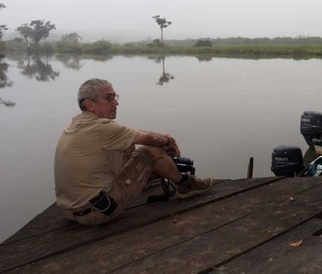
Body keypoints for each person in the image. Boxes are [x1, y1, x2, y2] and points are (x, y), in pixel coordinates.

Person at [54, 78, 213, 225]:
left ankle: (150, 175)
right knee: (151, 149)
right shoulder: (101, 127)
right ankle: (185, 185)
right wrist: (167, 140)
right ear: (90, 105)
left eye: (115, 97)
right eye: (109, 98)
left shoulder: (78, 124)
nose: (116, 103)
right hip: (100, 211)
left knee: (128, 145)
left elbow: (131, 135)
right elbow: (150, 140)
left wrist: (157, 138)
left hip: (72, 210)